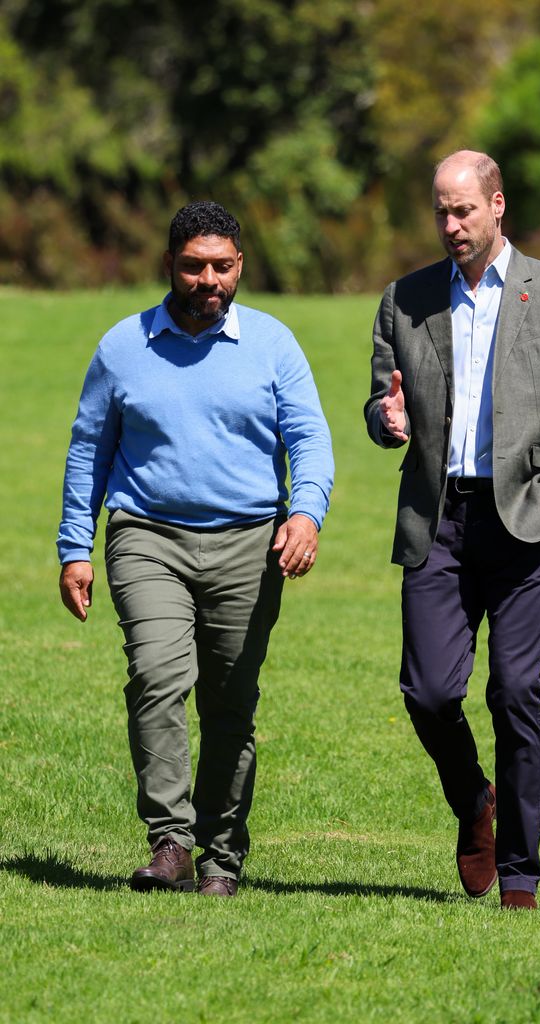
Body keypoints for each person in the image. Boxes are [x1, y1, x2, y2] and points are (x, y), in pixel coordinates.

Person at [58, 200, 334, 896]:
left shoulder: (273, 345)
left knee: (230, 702)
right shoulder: (125, 346)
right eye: (192, 266)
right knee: (156, 676)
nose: (207, 279)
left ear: (240, 267)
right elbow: (89, 447)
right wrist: (75, 545)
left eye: (221, 266)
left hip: (248, 542)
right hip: (147, 535)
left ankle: (222, 855)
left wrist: (305, 512)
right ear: (169, 266)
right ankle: (171, 841)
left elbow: (309, 438)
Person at [365, 150, 540, 910]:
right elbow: (382, 404)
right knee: (430, 692)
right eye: (440, 211)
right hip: (436, 522)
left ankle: (520, 875)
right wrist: (384, 419)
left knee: (515, 692)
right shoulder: (403, 300)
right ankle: (475, 800)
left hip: (523, 522)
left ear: (497, 205)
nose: (450, 225)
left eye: (463, 210)